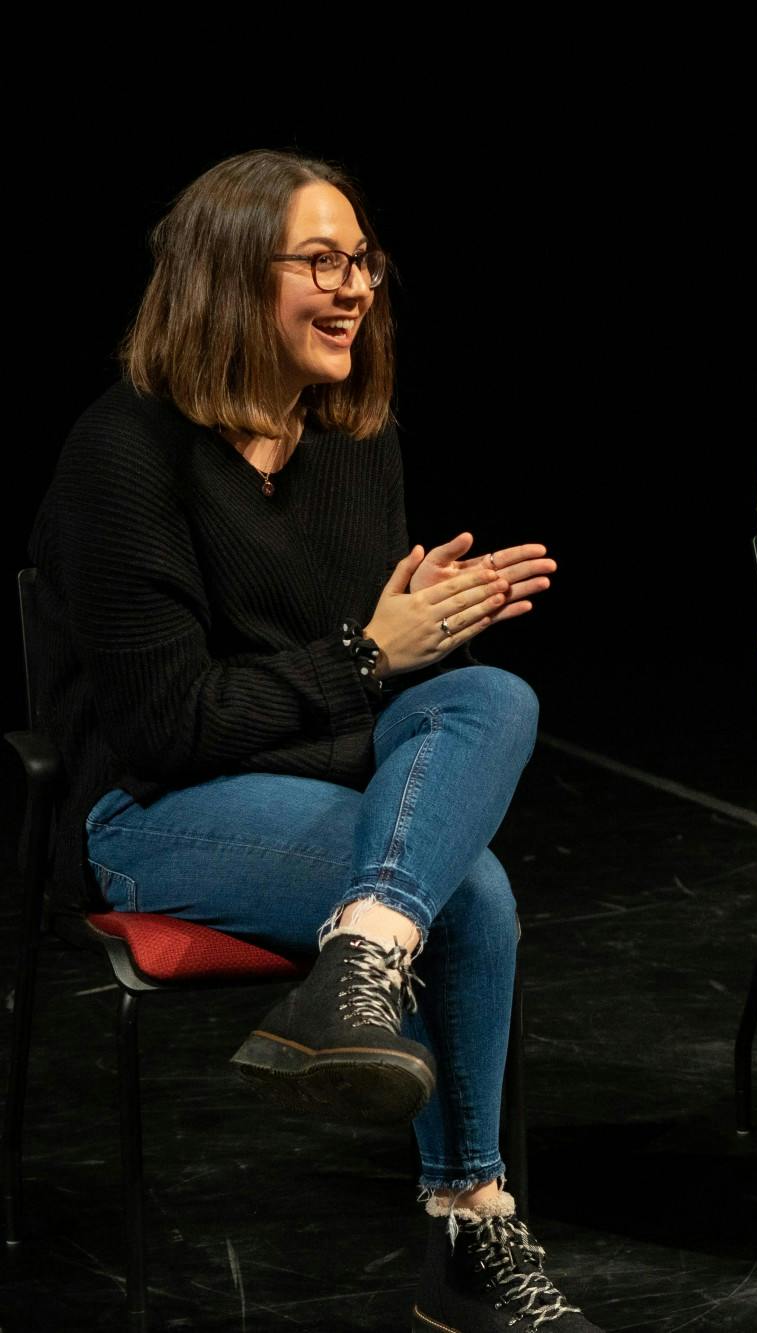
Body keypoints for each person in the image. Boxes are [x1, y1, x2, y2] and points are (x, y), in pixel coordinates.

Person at [29, 150, 601, 1331]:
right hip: (152, 815)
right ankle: (470, 1229)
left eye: (364, 263)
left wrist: (420, 640)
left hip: (314, 778)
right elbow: (170, 727)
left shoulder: (353, 442)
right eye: (321, 263)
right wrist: (369, 656)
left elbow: (366, 686)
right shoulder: (122, 454)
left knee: (493, 695)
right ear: (230, 274)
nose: (355, 290)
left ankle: (361, 958)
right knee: (472, 890)